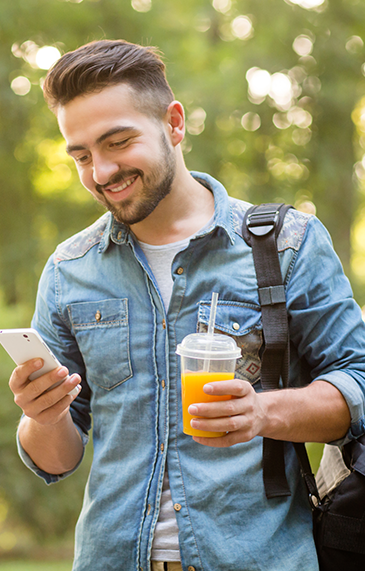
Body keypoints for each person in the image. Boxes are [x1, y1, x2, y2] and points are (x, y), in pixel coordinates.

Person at [9, 39, 365, 571]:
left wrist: (261, 412)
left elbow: (356, 380)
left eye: (118, 142)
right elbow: (57, 458)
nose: (101, 172)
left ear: (174, 124)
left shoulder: (287, 245)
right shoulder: (69, 271)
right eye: (81, 155)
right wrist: (43, 416)